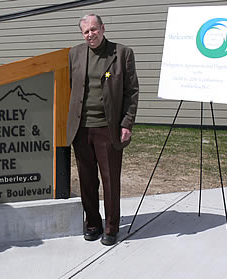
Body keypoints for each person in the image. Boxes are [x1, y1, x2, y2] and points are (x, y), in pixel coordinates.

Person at [66, 14, 139, 245]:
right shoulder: (74, 54)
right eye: (86, 32)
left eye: (94, 30)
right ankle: (93, 223)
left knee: (110, 180)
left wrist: (126, 123)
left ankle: (111, 227)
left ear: (103, 28)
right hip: (81, 128)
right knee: (87, 180)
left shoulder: (122, 53)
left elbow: (132, 92)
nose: (91, 35)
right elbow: (72, 87)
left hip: (108, 129)